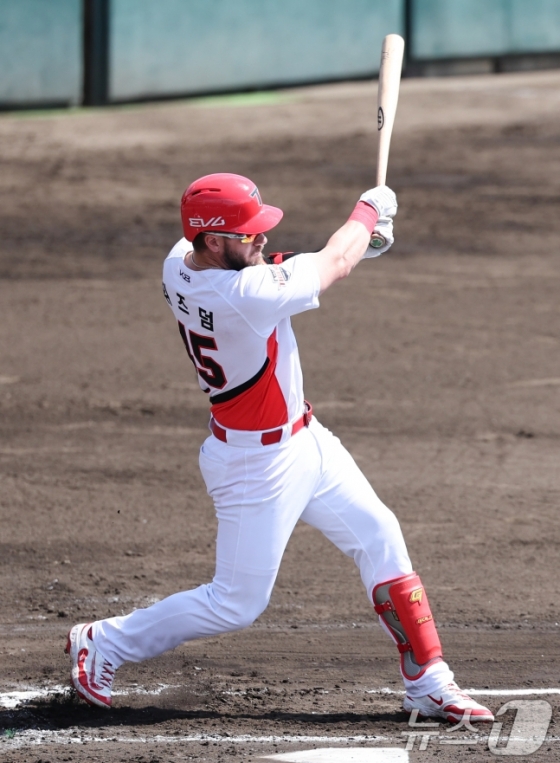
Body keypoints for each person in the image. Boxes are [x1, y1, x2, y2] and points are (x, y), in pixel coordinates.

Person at [66, 173, 493, 724]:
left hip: (307, 440)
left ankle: (428, 682)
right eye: (249, 233)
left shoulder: (179, 262)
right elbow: (332, 263)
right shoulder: (245, 295)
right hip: (256, 464)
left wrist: (361, 244)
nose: (262, 238)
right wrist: (367, 214)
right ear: (213, 240)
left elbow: (278, 264)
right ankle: (105, 642)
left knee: (380, 535)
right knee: (236, 603)